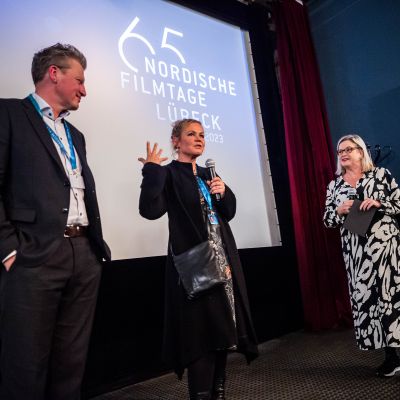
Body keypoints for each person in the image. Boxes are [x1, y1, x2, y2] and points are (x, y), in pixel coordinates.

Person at [0, 43, 111, 399]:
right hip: (34, 257)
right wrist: (8, 249)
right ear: (54, 74)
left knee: (71, 364)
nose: (84, 89)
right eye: (79, 80)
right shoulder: (9, 115)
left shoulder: (74, 134)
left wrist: (94, 250)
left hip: (83, 254)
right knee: (26, 365)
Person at [138, 119, 258, 399]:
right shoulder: (167, 174)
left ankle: (219, 391)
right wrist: (151, 172)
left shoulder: (208, 174)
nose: (199, 139)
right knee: (200, 336)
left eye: (202, 135)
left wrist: (224, 191)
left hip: (223, 262)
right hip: (194, 269)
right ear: (175, 141)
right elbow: (149, 210)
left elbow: (227, 212)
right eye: (191, 134)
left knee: (222, 333)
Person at [323, 134, 400, 378]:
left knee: (393, 297)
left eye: (348, 149)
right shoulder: (334, 186)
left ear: (360, 151)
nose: (343, 153)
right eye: (339, 151)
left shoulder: (381, 175)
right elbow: (327, 220)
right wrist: (338, 210)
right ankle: (391, 357)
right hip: (357, 254)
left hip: (387, 248)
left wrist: (379, 202)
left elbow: (399, 204)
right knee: (372, 303)